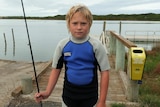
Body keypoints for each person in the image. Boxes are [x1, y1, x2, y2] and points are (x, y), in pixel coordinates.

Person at [35, 4, 110, 107]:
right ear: (68, 25)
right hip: (68, 97)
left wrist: (102, 101)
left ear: (90, 24)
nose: (79, 27)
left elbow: (105, 72)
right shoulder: (62, 45)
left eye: (83, 23)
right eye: (75, 23)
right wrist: (48, 92)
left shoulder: (96, 46)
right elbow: (56, 70)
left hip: (90, 98)